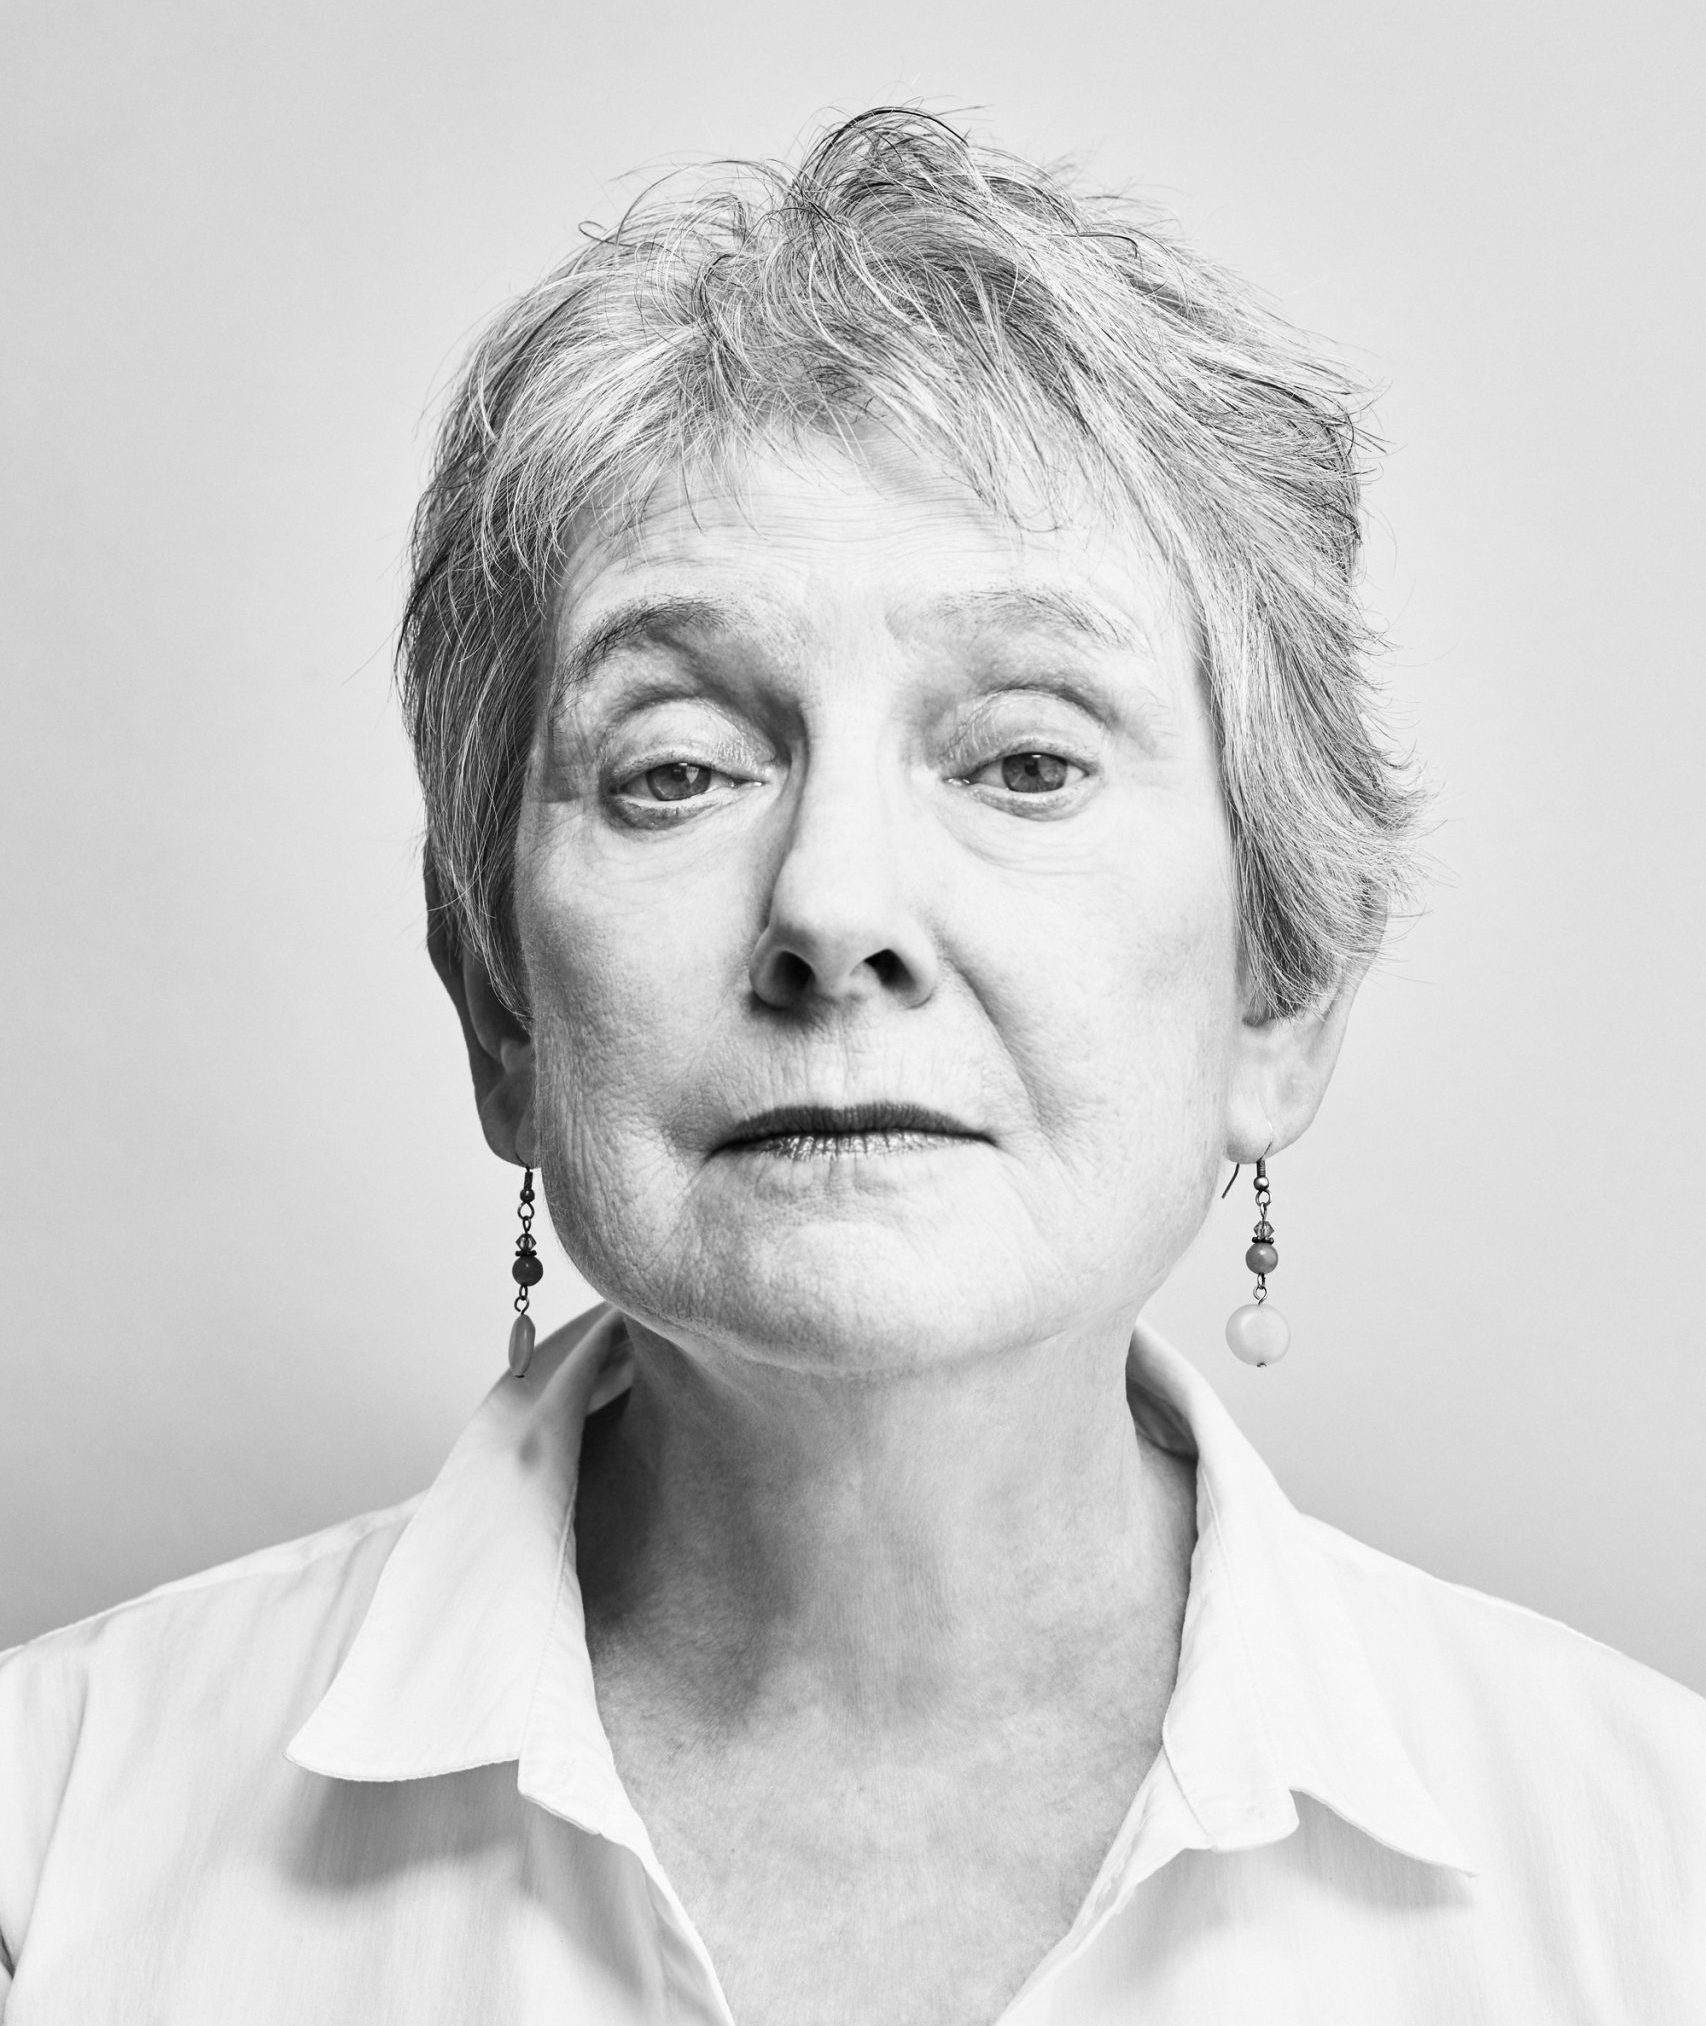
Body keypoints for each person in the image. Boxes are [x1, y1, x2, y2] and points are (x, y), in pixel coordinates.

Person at [1, 107, 1701, 2026]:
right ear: (494, 998)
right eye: (676, 769)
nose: (831, 903)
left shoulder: (1652, 1882)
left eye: (1025, 758)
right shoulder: (53, 1840)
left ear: (1278, 993)